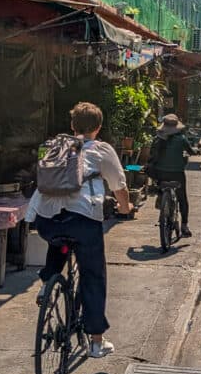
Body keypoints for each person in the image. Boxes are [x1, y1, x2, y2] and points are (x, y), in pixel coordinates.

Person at [26, 101, 132, 359]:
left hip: (45, 220)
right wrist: (125, 208)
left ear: (72, 126)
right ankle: (96, 341)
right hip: (83, 220)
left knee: (58, 241)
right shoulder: (102, 149)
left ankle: (48, 281)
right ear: (98, 127)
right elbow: (119, 185)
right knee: (93, 275)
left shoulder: (53, 146)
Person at [147, 113, 196, 238]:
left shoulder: (157, 138)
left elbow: (151, 156)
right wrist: (196, 151)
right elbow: (191, 151)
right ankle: (184, 225)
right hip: (177, 174)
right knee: (182, 199)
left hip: (159, 173)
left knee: (160, 184)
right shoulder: (181, 139)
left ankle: (161, 196)